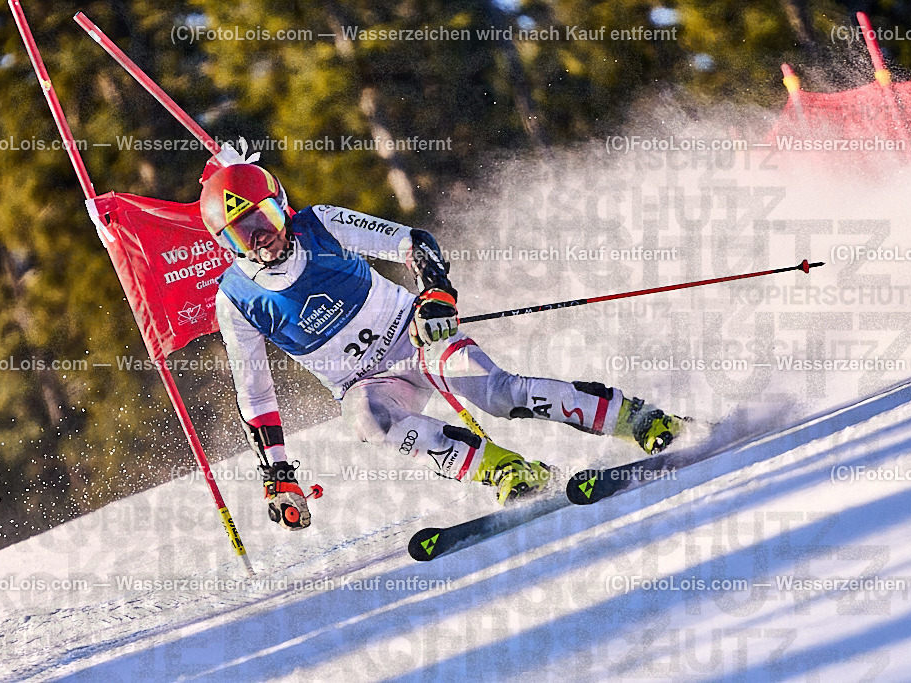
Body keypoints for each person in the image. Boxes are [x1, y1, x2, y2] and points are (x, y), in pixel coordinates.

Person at [199, 151, 685, 531]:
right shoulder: (236, 299)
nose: (260, 238)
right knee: (367, 419)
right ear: (227, 244)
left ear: (281, 205)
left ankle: (640, 419)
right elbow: (255, 395)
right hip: (366, 383)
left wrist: (435, 294)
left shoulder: (320, 224)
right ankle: (509, 471)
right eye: (242, 234)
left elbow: (412, 241)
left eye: (264, 218)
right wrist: (278, 475)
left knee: (498, 394)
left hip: (414, 336)